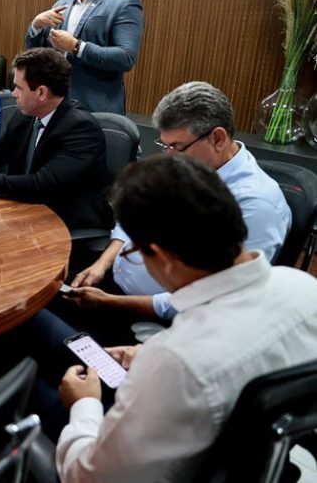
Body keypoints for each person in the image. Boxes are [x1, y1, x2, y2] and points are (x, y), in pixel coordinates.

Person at [54, 154, 317, 482]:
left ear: (162, 257)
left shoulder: (177, 361)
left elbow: (87, 477)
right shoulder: (306, 289)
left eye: (134, 251)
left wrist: (84, 405)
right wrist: (150, 358)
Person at [68, 81, 292, 322]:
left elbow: (212, 297)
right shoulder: (191, 168)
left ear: (217, 138)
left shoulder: (257, 206)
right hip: (112, 284)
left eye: (177, 147)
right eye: (165, 146)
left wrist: (109, 302)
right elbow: (135, 216)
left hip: (159, 318)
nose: (170, 156)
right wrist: (103, 263)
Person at [0, 48, 110, 230]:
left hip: (64, 224)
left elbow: (41, 184)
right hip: (23, 211)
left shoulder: (81, 128)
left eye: (18, 87)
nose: (13, 94)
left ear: (41, 93)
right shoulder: (26, 115)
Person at [25, 0, 144, 114]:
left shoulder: (124, 3)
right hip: (56, 107)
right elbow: (36, 55)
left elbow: (125, 57)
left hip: (96, 110)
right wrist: (36, 26)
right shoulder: (61, 4)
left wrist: (76, 47)